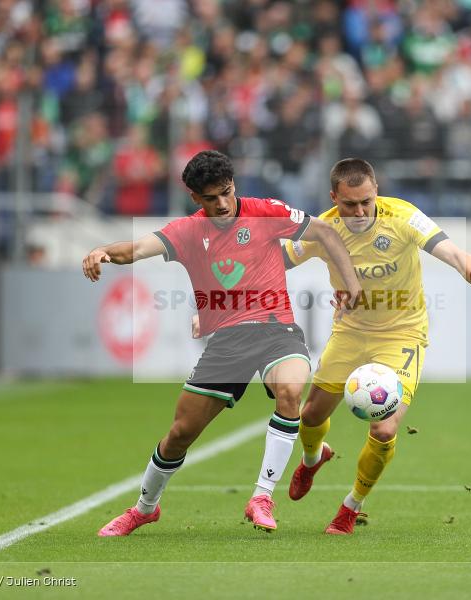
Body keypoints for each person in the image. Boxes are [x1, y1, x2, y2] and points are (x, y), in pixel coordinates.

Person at [82, 150, 361, 536]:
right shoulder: (188, 231)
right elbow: (137, 248)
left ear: (235, 185)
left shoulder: (264, 211)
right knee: (180, 433)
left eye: (227, 192)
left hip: (275, 329)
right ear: (196, 198)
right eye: (212, 197)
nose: (223, 203)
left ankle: (262, 497)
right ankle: (145, 508)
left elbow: (326, 233)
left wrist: (351, 283)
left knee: (292, 389)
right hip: (227, 342)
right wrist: (102, 253)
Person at [281, 158, 471, 534]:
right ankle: (314, 458)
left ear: (376, 189)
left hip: (402, 335)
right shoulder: (322, 230)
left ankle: (351, 506)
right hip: (350, 332)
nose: (360, 211)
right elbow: (273, 263)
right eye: (350, 204)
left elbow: (454, 252)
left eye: (366, 201)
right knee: (310, 416)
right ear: (334, 198)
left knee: (384, 430)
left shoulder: (404, 218)